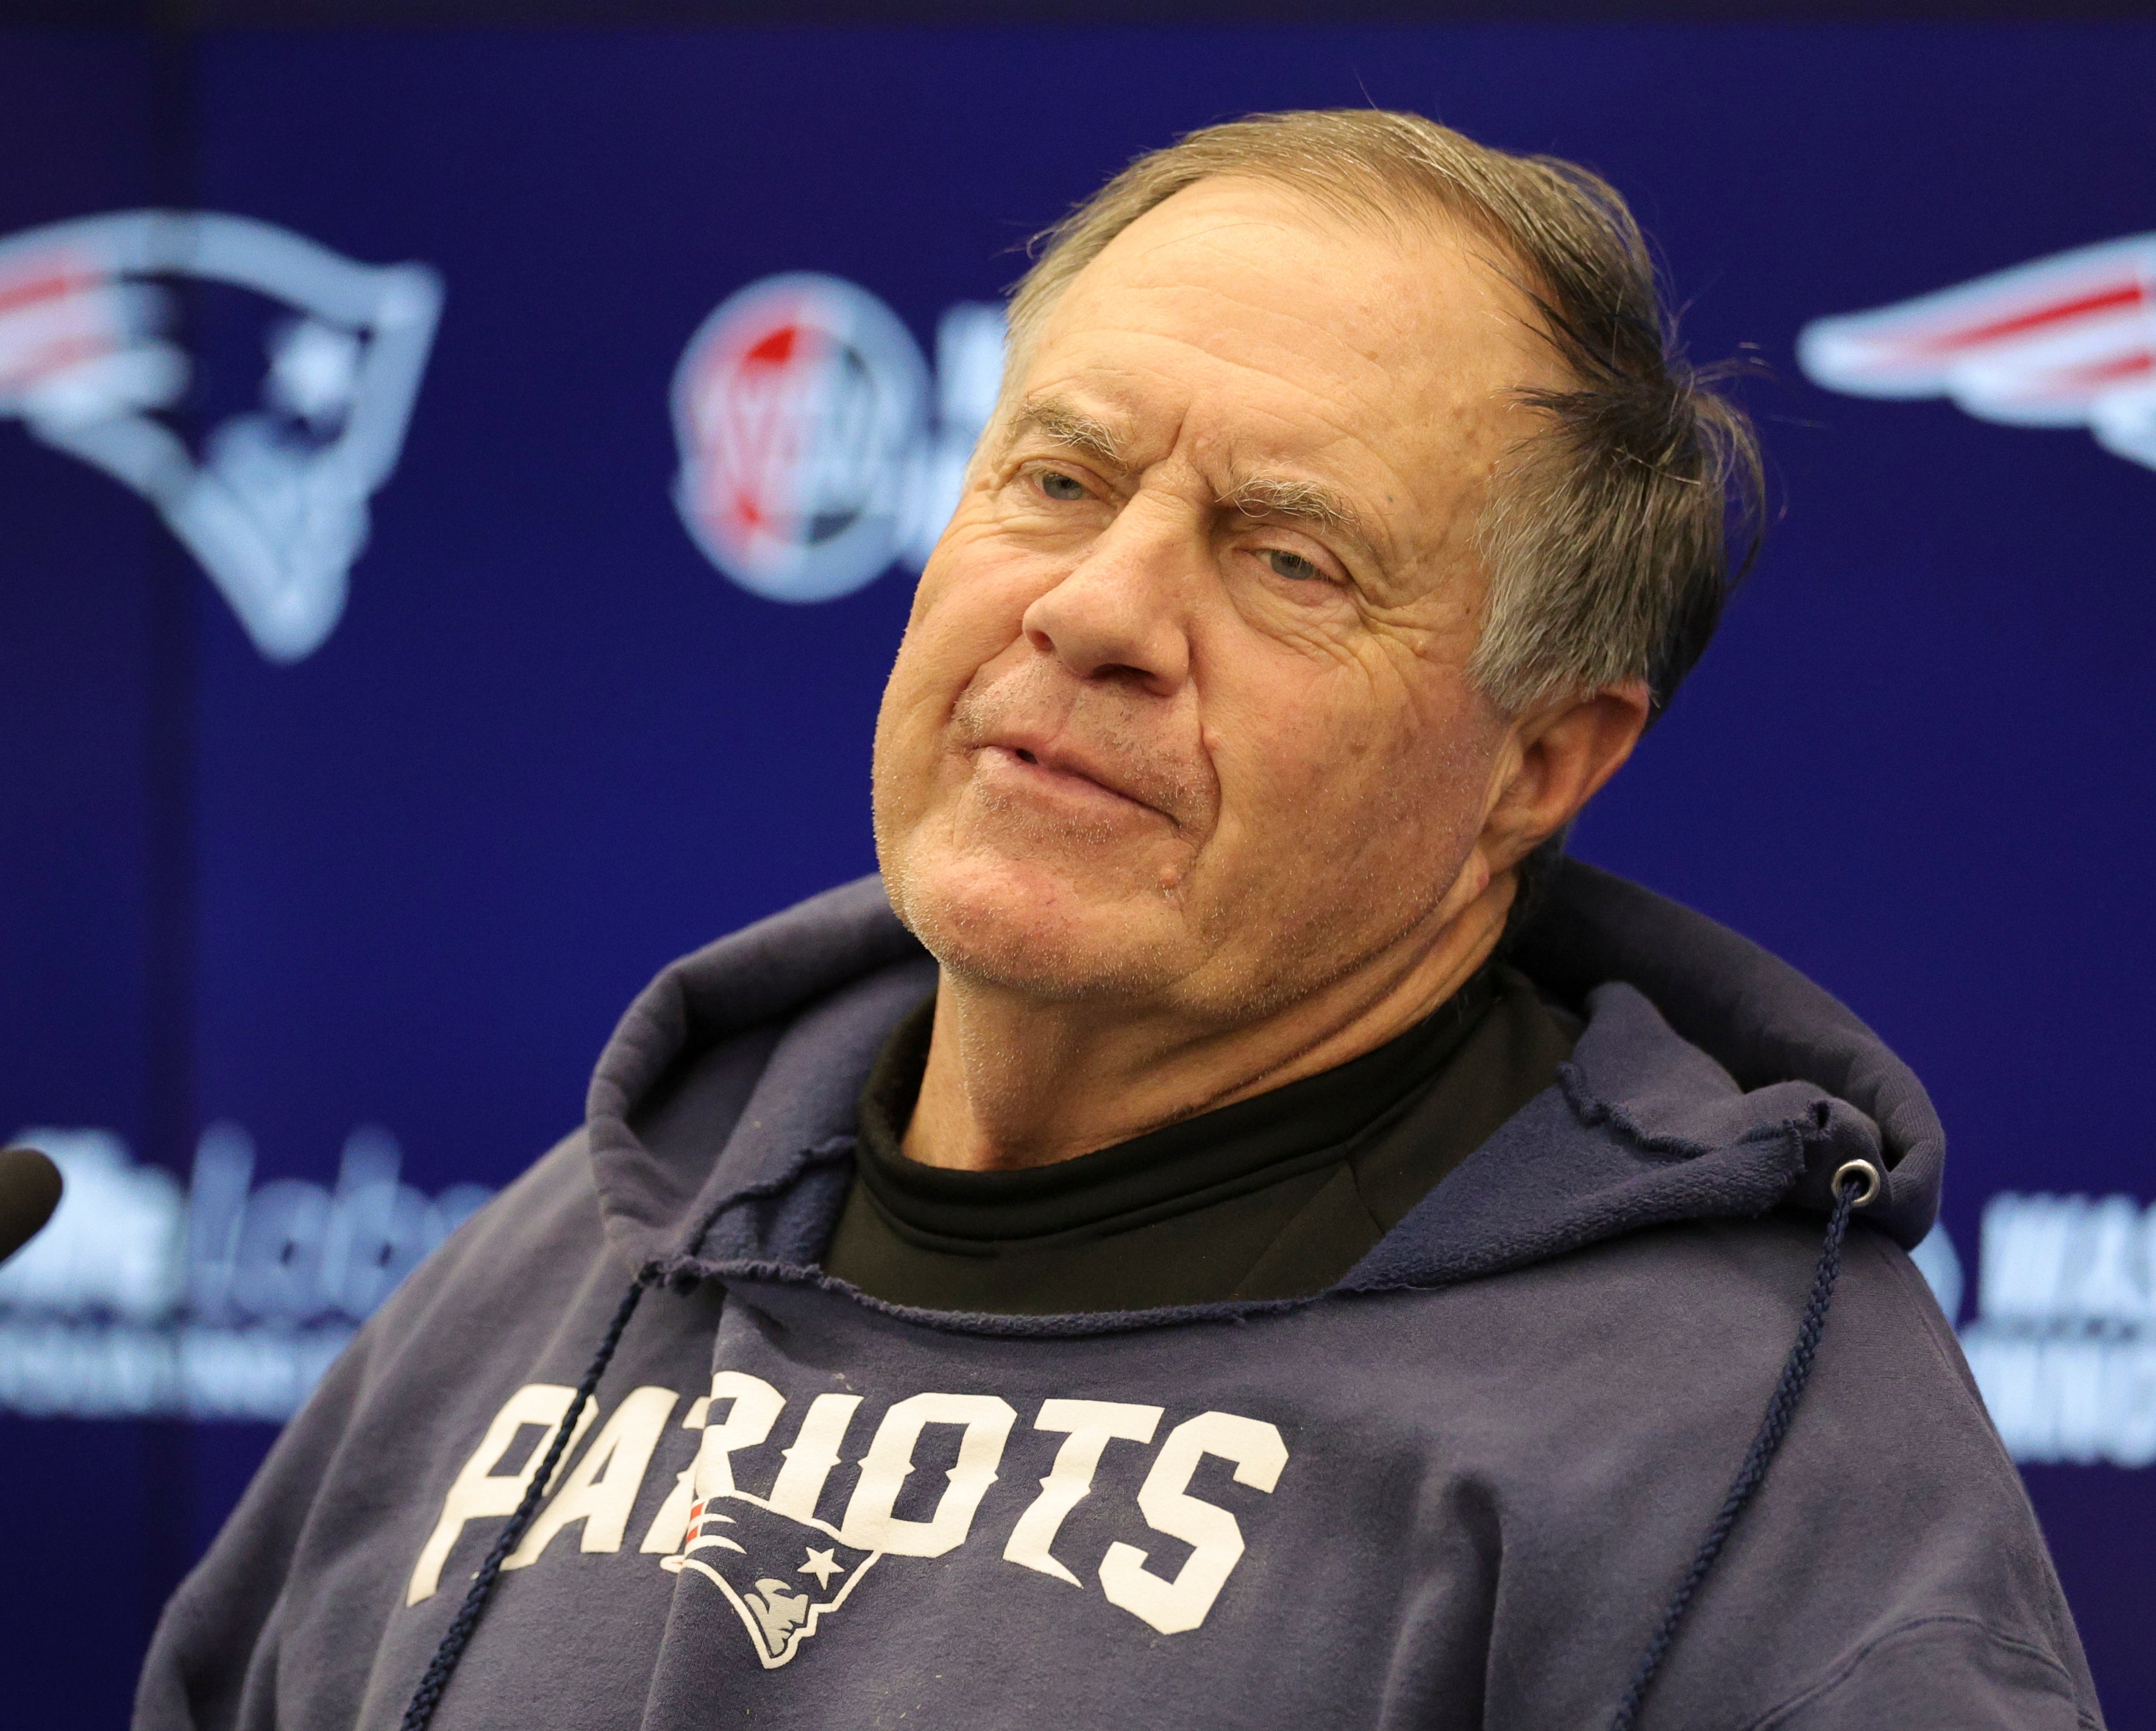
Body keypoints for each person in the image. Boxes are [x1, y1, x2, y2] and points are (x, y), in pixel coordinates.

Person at [135, 110, 2097, 1730]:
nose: (1090, 611)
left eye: (1286, 556)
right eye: (1055, 478)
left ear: (1539, 762)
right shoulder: (565, 1257)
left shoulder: (1742, 1462)